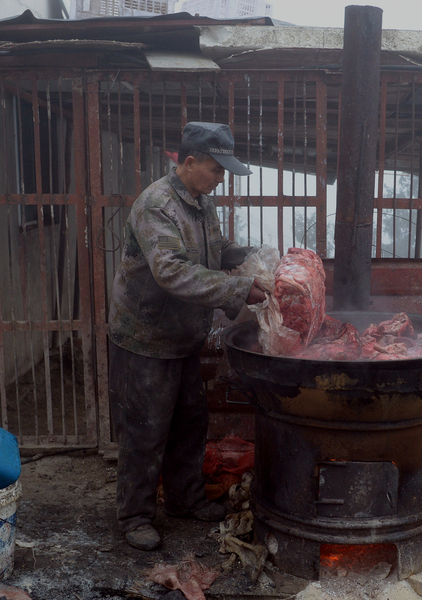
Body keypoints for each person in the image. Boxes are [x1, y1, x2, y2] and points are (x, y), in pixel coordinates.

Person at [107, 122, 266, 551]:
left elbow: (212, 250)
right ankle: (135, 515)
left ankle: (184, 499)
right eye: (216, 170)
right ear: (189, 162)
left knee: (189, 424)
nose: (221, 179)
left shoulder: (200, 202)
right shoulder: (156, 205)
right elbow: (172, 270)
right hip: (146, 336)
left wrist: (254, 258)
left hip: (181, 336)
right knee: (146, 430)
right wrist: (239, 289)